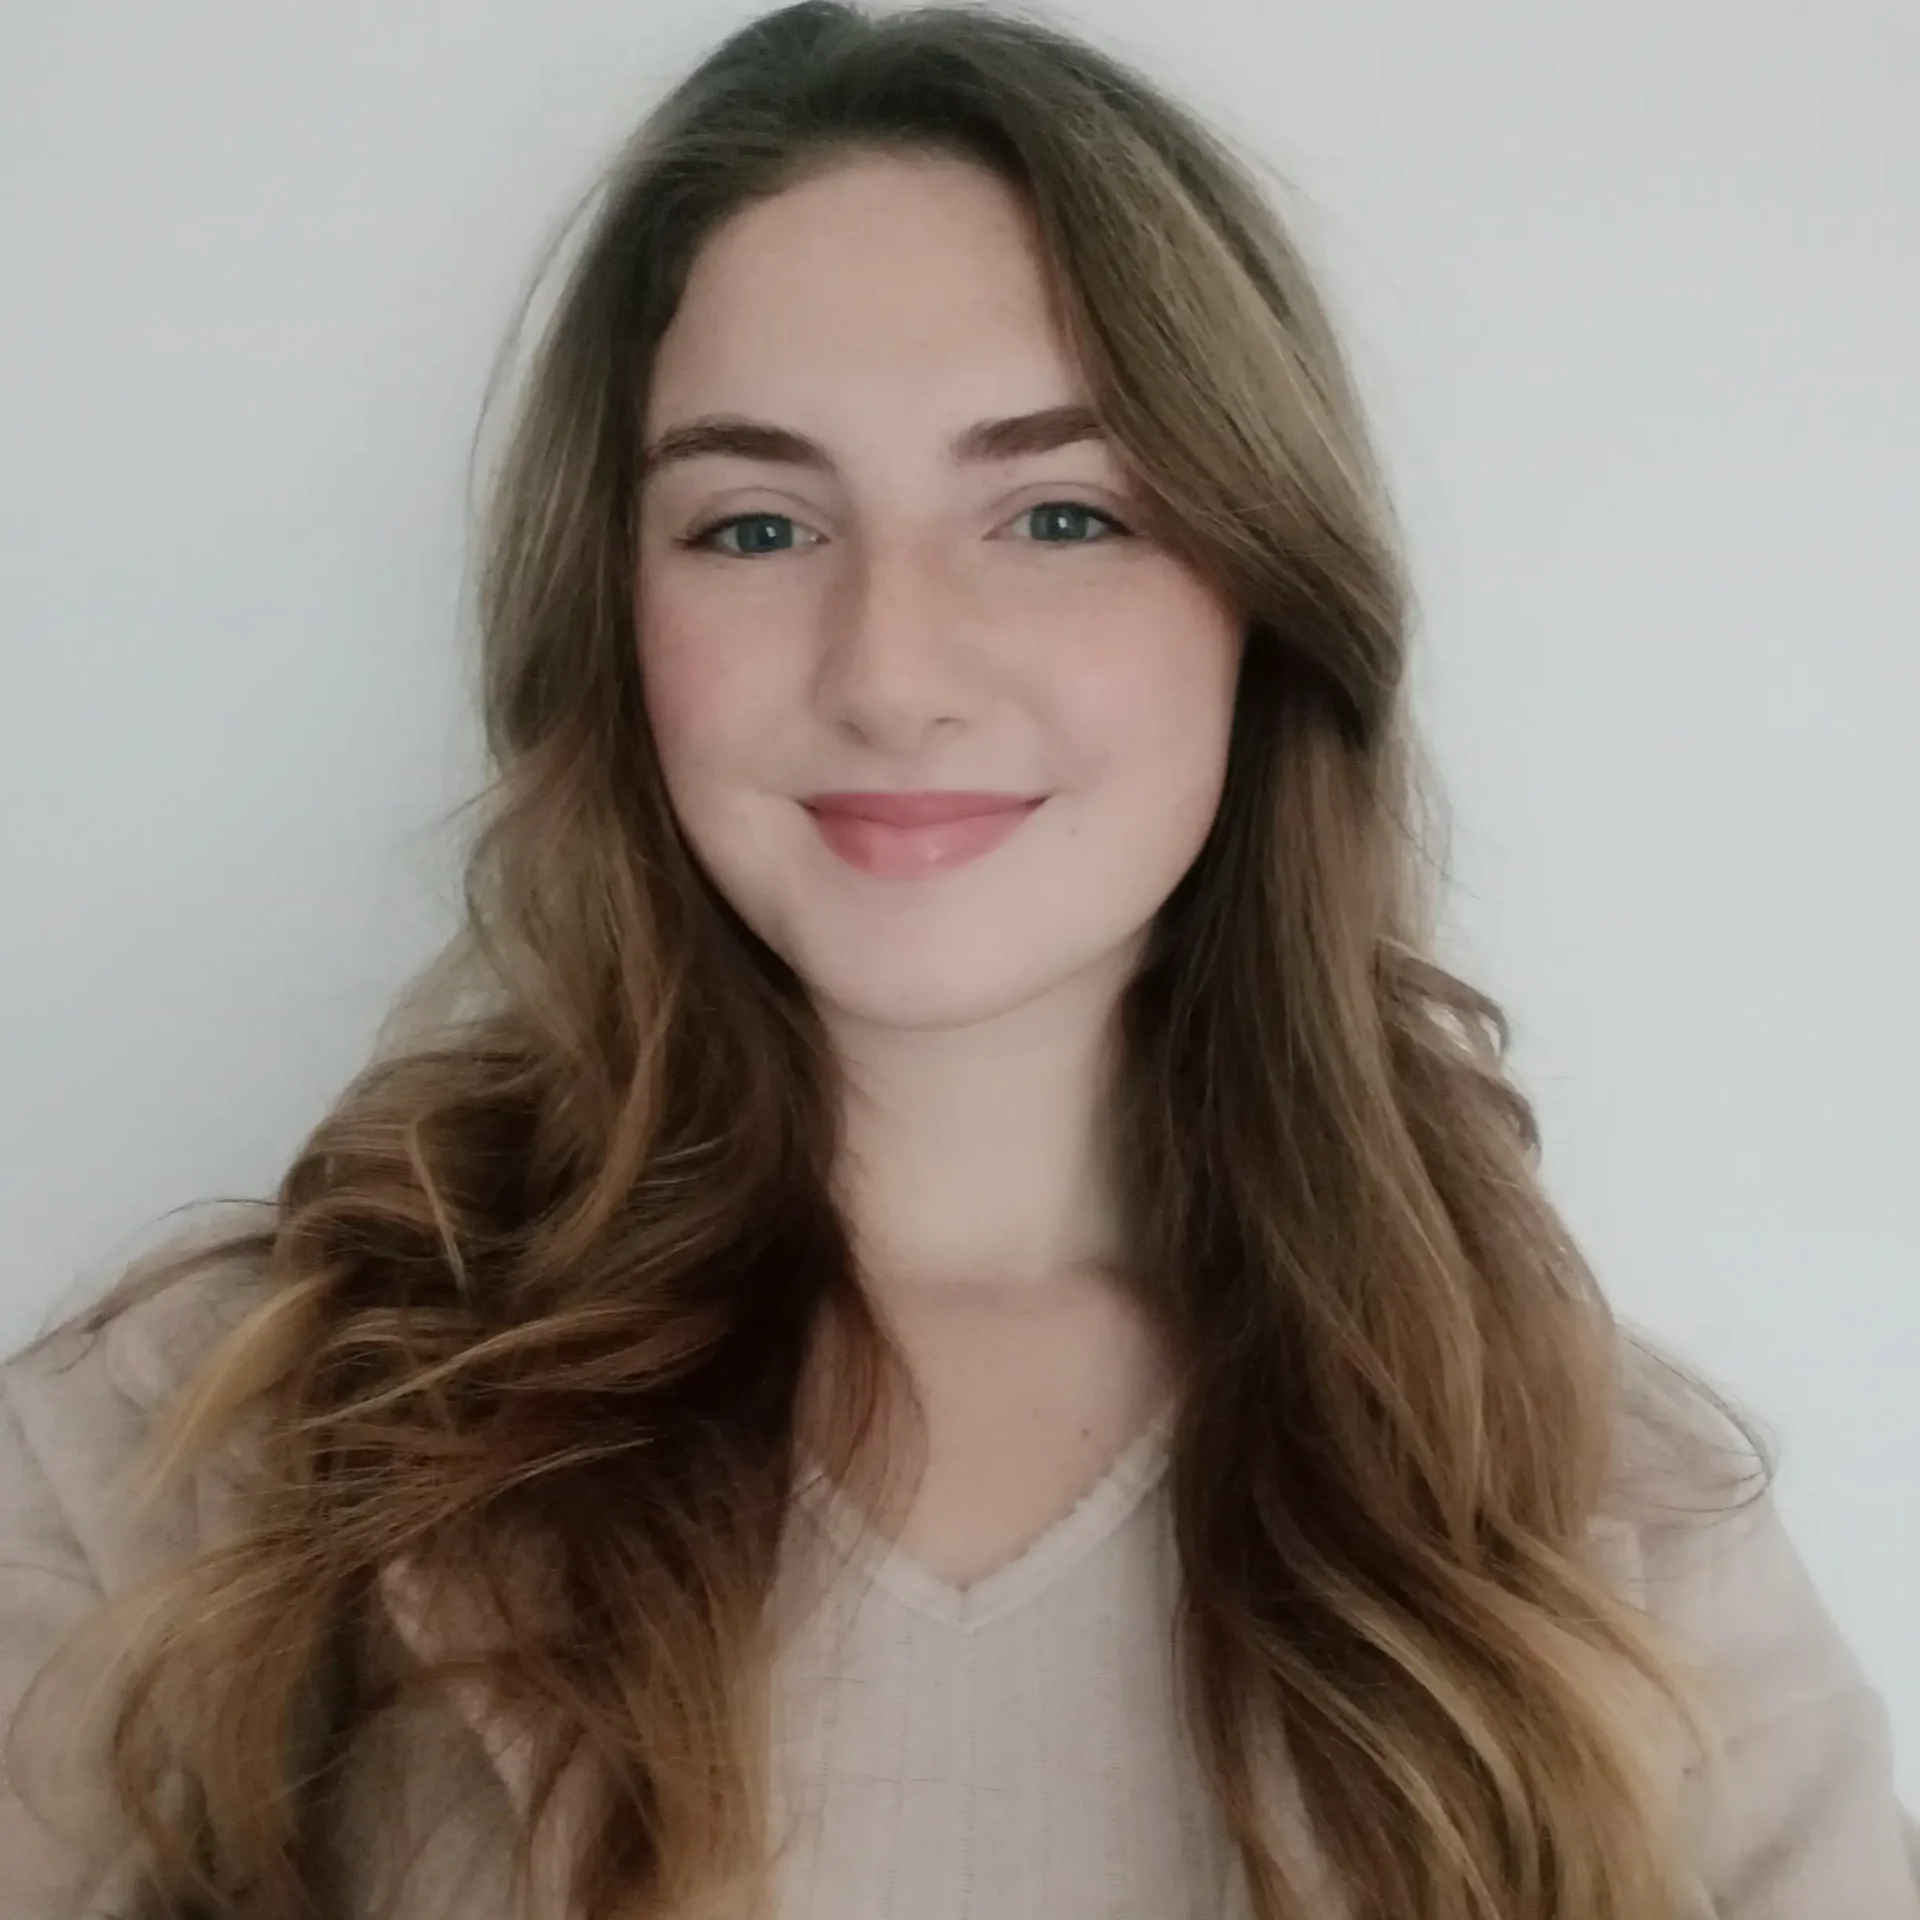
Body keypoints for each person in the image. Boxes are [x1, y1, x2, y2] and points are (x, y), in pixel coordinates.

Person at [2, 4, 1914, 1916]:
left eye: (1061, 514)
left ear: (1270, 603)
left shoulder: (1598, 1519)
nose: (891, 672)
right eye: (756, 524)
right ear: (612, 619)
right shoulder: (203, 1448)